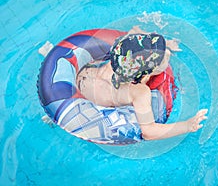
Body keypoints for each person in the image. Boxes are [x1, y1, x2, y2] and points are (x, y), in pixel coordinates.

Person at [76, 26, 208, 140]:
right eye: (161, 60)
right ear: (146, 73)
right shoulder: (138, 92)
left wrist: (165, 43)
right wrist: (187, 125)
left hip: (84, 84)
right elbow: (148, 132)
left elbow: (133, 36)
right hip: (96, 107)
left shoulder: (112, 61)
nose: (166, 53)